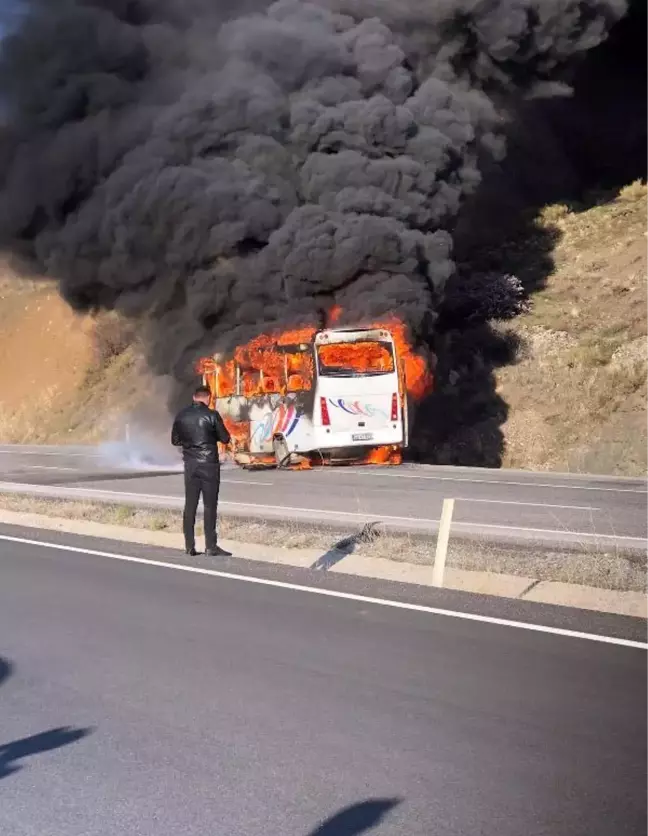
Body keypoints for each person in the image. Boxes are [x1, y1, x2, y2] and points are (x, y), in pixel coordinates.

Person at [171, 385, 232, 557]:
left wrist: (189, 443)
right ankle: (211, 546)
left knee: (190, 505)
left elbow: (175, 440)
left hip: (190, 465)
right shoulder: (212, 415)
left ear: (194, 397)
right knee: (209, 506)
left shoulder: (181, 415)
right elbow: (225, 437)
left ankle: (189, 545)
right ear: (208, 398)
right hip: (209, 465)